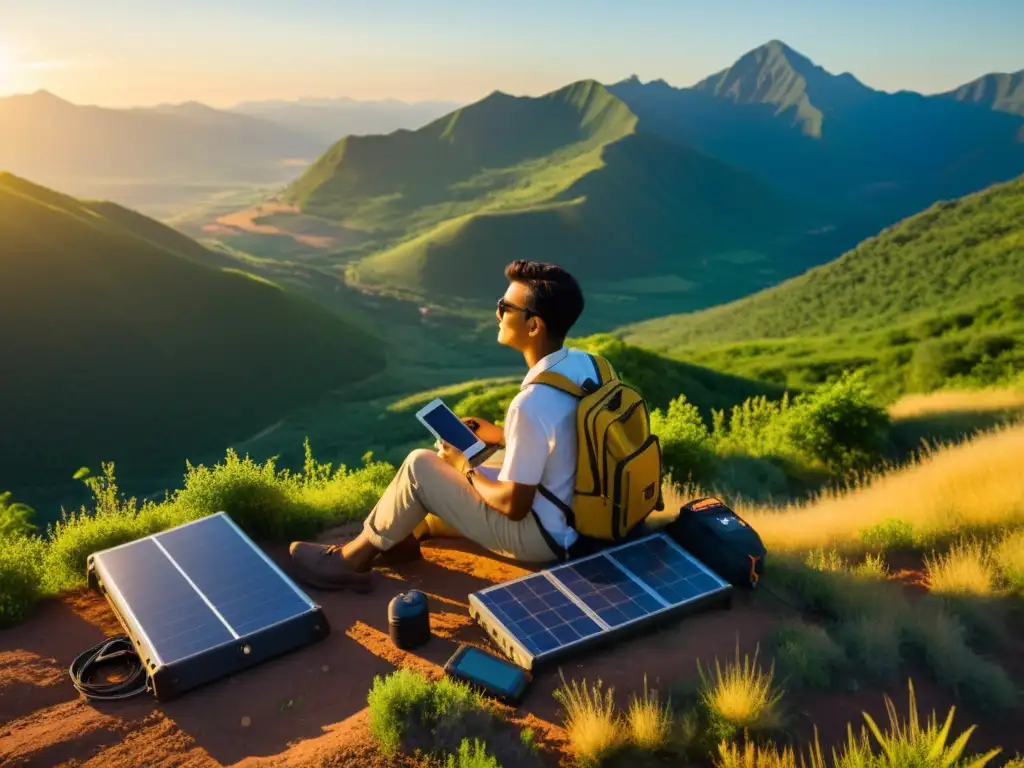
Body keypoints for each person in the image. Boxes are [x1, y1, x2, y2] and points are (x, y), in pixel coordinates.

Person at [287, 259, 597, 591]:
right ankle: (398, 537)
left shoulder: (531, 402)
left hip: (543, 537)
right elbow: (562, 434)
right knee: (478, 455)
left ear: (533, 326)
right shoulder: (585, 364)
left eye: (505, 307)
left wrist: (465, 467)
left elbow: (513, 506)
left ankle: (352, 561)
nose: (497, 314)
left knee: (421, 465)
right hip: (579, 514)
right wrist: (500, 434)